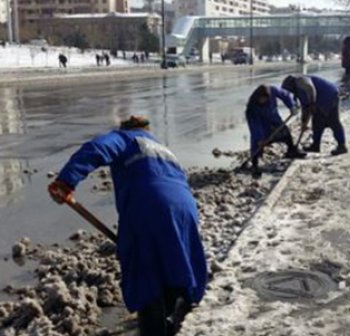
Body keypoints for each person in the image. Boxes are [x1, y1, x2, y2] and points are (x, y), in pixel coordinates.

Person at [47, 116, 207, 336]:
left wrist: (66, 181)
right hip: (185, 206)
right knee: (177, 258)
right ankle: (178, 311)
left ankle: (154, 327)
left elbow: (96, 148)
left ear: (127, 128)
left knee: (144, 267)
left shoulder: (125, 138)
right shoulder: (162, 148)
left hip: (148, 204)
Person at [245, 85, 307, 176]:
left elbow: (285, 95)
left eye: (266, 99)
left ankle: (291, 151)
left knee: (286, 134)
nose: (264, 101)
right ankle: (255, 164)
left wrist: (291, 106)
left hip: (274, 120)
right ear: (257, 97)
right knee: (256, 145)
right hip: (262, 126)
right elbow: (255, 126)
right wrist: (260, 138)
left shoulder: (272, 90)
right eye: (262, 99)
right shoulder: (252, 109)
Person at [281, 75, 347, 156]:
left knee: (333, 121)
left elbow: (310, 88)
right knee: (317, 122)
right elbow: (305, 107)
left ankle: (342, 146)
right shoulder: (299, 93)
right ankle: (315, 145)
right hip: (319, 101)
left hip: (329, 95)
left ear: (291, 85)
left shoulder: (300, 80)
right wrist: (303, 122)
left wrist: (312, 102)